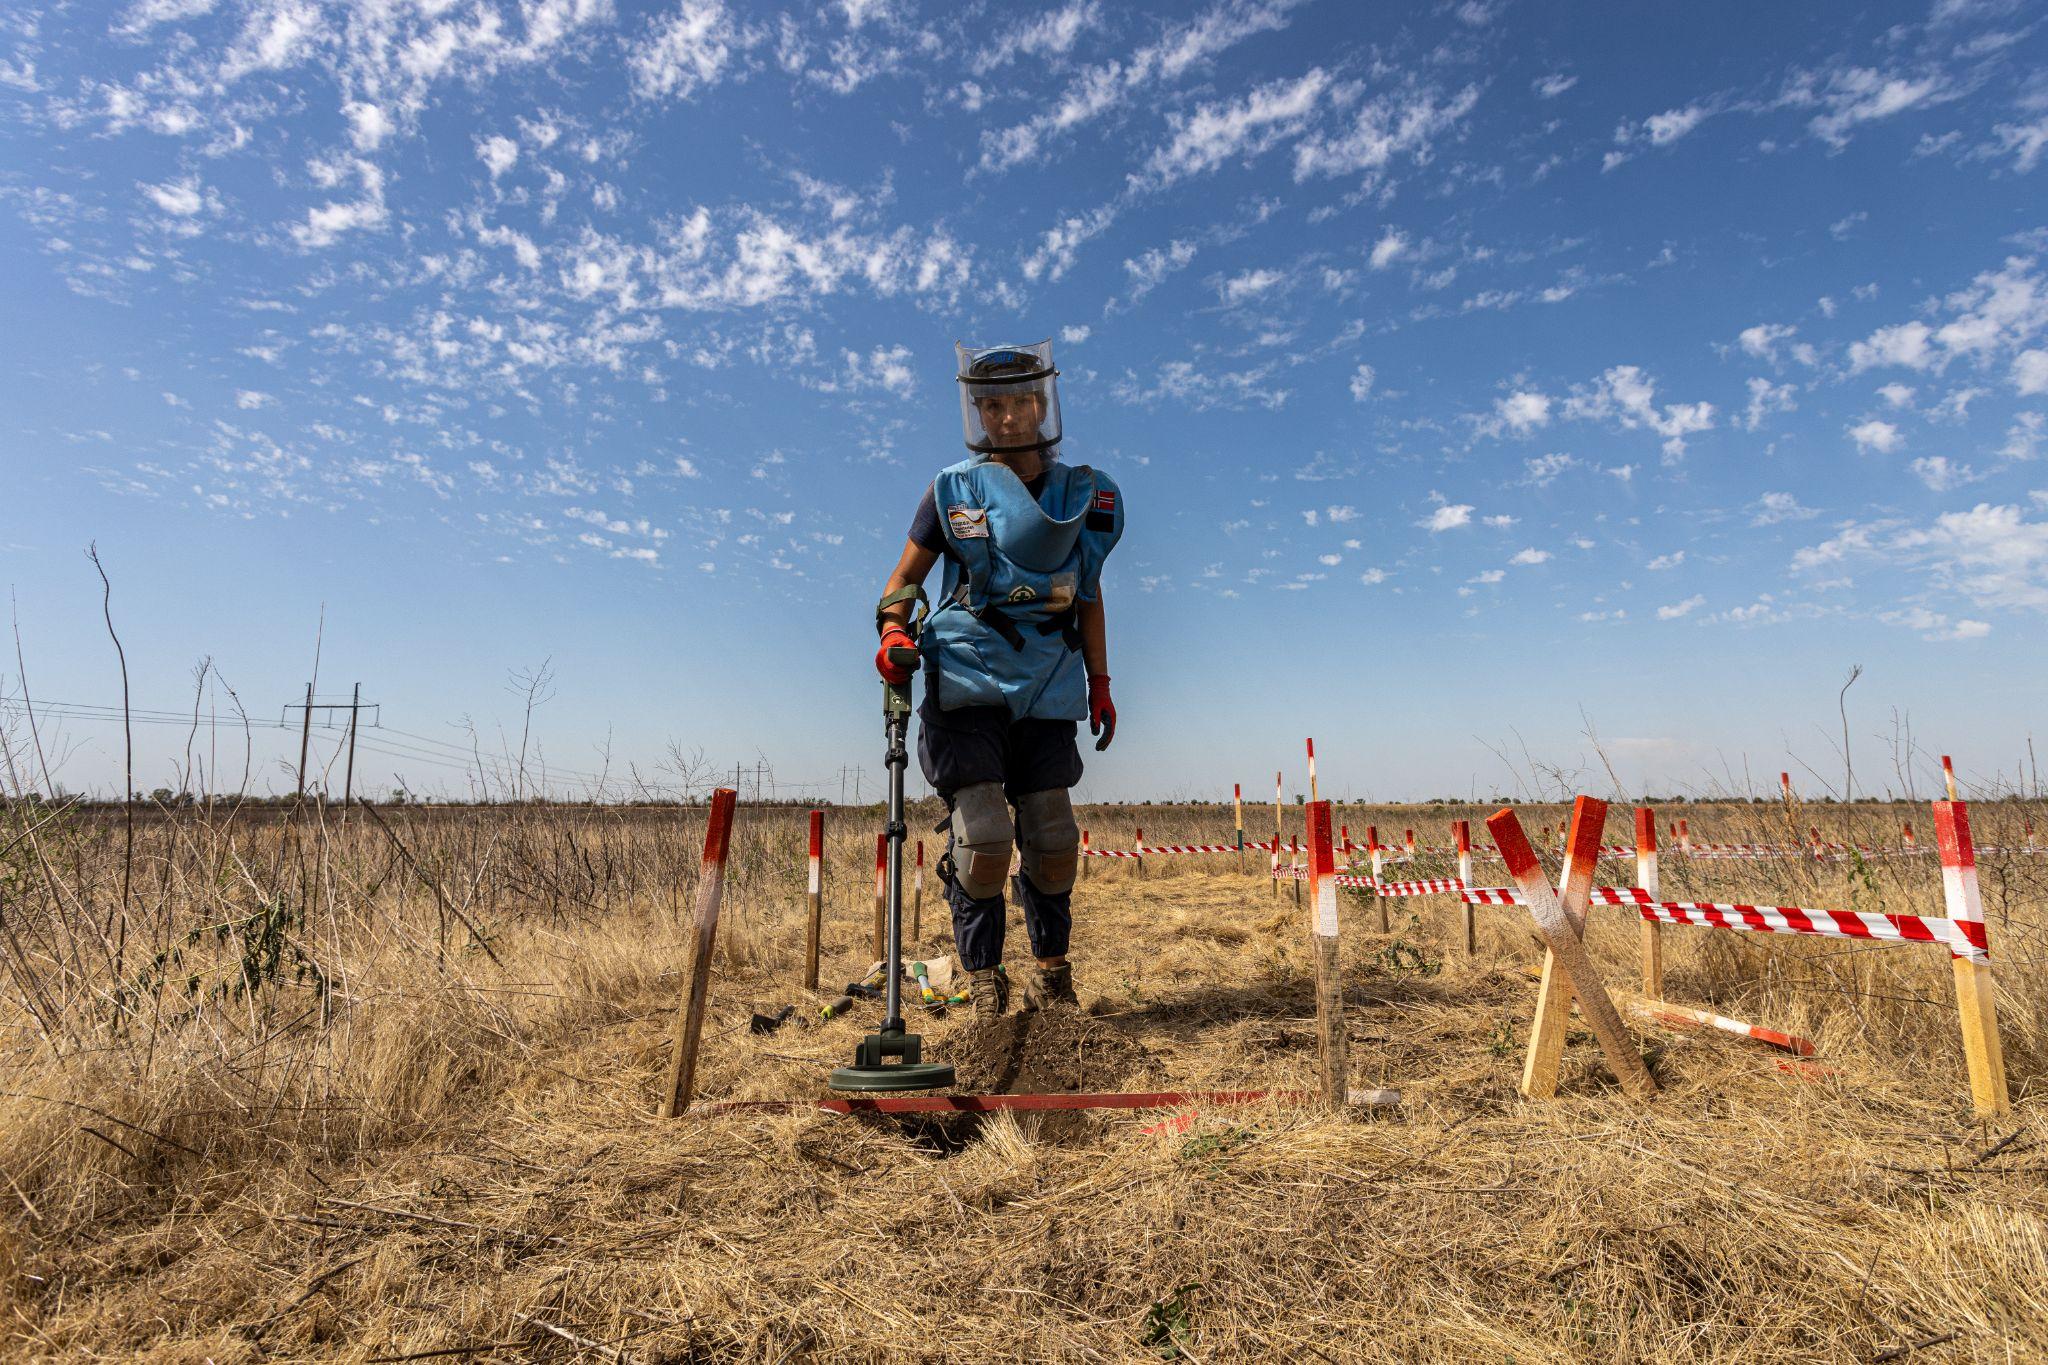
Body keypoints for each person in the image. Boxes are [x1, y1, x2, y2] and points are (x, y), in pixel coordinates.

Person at [873, 340, 1122, 1019]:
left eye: (1020, 402)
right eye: (993, 405)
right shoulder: (951, 491)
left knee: (1052, 836)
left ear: (1042, 406)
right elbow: (901, 585)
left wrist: (1099, 681)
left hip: (1048, 683)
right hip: (968, 679)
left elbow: (1089, 593)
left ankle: (1054, 977)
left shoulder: (1082, 496)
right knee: (981, 836)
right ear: (977, 413)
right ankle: (985, 985)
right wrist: (894, 632)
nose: (1008, 416)